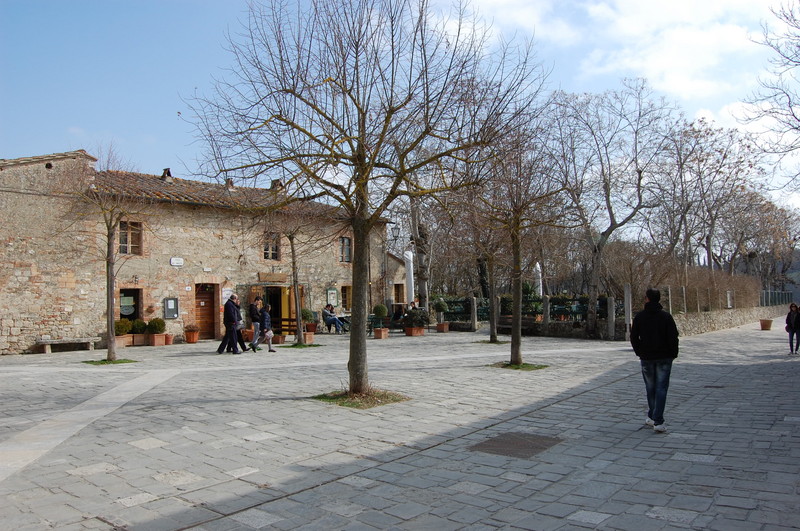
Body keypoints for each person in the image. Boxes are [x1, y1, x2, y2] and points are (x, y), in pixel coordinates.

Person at [630, 288, 679, 433]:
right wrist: (673, 353)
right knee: (661, 388)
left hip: (647, 357)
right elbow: (673, 337)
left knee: (650, 387)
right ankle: (658, 419)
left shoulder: (640, 317)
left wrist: (640, 352)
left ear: (647, 299)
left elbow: (634, 337)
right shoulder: (666, 317)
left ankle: (653, 416)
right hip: (664, 357)